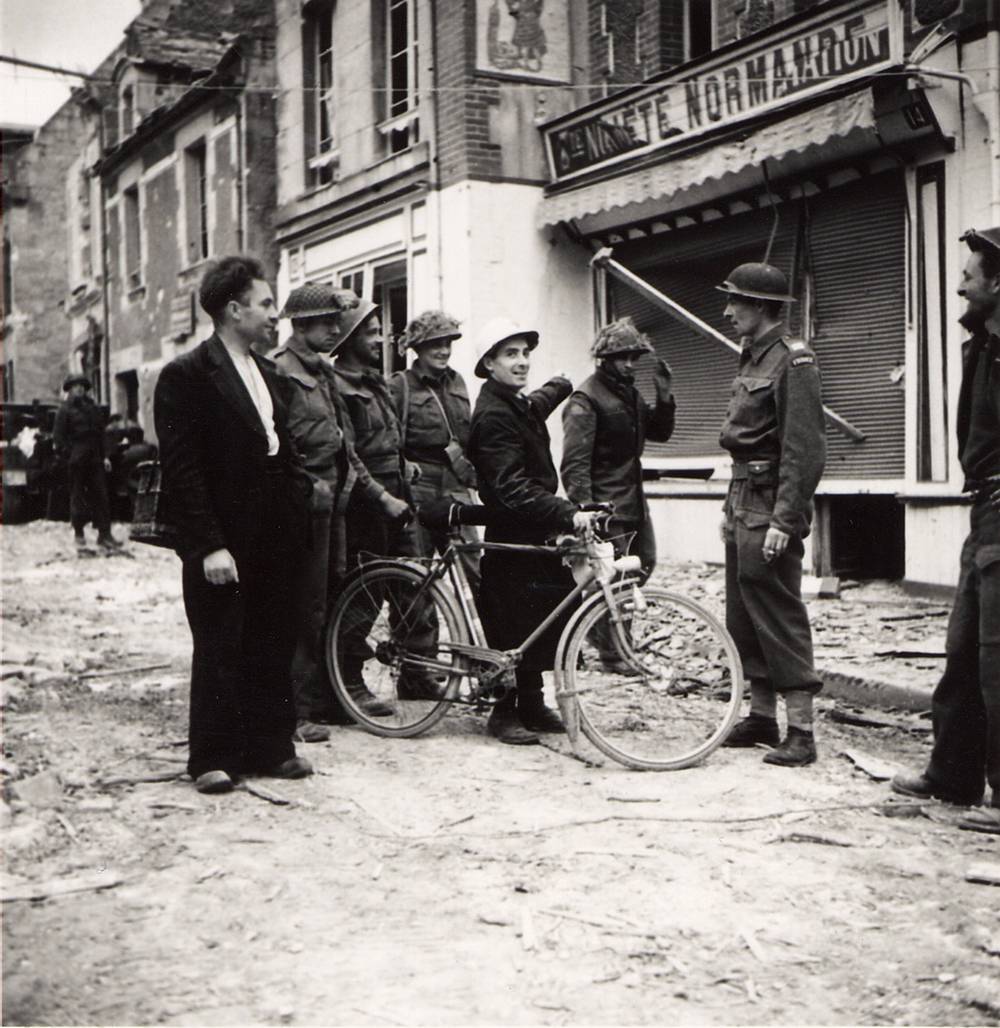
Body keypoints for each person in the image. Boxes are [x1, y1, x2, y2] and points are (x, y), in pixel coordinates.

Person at [153, 255, 313, 794]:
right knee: (221, 639)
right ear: (233, 308)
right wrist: (209, 546)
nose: (275, 316)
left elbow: (284, 450)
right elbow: (183, 471)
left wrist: (295, 503)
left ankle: (271, 746)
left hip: (274, 532)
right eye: (267, 304)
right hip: (223, 535)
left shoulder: (269, 373)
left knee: (272, 635)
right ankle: (213, 756)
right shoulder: (187, 375)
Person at [892, 227, 1000, 835]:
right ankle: (953, 774)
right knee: (964, 651)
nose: (959, 283)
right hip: (983, 512)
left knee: (998, 659)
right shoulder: (982, 345)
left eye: (970, 274)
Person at [272, 282, 410, 741]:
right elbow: (276, 452)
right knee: (298, 606)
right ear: (303, 325)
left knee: (329, 602)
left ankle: (325, 699)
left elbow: (345, 449)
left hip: (334, 509)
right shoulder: (278, 373)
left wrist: (377, 497)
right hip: (299, 510)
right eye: (329, 323)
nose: (337, 330)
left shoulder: (324, 375)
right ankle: (293, 711)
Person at [467, 317, 599, 745]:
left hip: (531, 530)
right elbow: (510, 486)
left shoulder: (515, 403)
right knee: (509, 619)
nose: (522, 362)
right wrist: (564, 512)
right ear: (488, 364)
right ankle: (502, 711)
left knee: (539, 615)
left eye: (525, 353)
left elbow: (538, 403)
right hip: (511, 528)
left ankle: (531, 701)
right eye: (511, 354)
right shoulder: (492, 416)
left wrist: (561, 383)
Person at [716, 262, 826, 767]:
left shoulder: (793, 362)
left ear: (761, 306)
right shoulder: (751, 357)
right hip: (742, 497)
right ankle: (762, 717)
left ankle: (801, 731)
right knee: (742, 611)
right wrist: (727, 506)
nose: (728, 309)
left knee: (778, 610)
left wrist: (785, 520)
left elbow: (803, 451)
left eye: (736, 301)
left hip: (768, 503)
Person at [329, 292, 425, 710]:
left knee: (414, 586)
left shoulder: (377, 383)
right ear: (348, 338)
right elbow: (349, 457)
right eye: (369, 332)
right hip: (366, 506)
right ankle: (349, 684)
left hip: (398, 500)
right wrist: (382, 497)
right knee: (363, 596)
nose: (379, 338)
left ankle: (417, 674)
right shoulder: (338, 388)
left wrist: (406, 470)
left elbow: (390, 442)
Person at [560, 317, 675, 590]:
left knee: (642, 564)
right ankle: (605, 632)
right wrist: (587, 512)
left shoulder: (629, 394)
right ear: (605, 359)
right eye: (622, 358)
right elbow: (575, 465)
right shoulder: (585, 399)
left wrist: (664, 396)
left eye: (633, 357)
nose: (630, 364)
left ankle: (613, 631)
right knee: (612, 580)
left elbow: (659, 432)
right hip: (605, 511)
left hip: (634, 506)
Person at [390, 310, 481, 591]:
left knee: (473, 566)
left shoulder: (458, 382)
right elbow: (389, 439)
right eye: (435, 344)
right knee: (416, 574)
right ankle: (416, 636)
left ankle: (478, 634)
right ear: (418, 348)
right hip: (420, 484)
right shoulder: (400, 385)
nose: (443, 351)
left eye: (447, 344)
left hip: (456, 481)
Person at [53, 374, 120, 554]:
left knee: (101, 495)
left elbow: (101, 434)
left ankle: (104, 535)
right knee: (77, 496)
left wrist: (105, 456)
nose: (79, 389)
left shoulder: (93, 408)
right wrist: (71, 456)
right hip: (77, 458)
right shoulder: (64, 410)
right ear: (69, 389)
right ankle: (79, 534)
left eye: (82, 386)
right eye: (75, 386)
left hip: (95, 457)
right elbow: (58, 439)